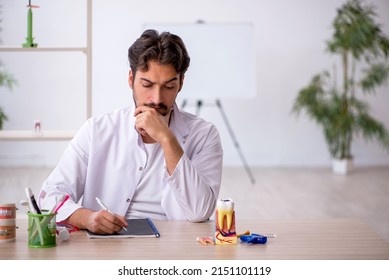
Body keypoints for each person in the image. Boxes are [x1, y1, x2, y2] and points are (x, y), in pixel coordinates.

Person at [38, 29, 223, 234]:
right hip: (106, 247)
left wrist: (166, 138)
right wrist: (87, 218)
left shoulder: (204, 135)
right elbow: (49, 197)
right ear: (131, 80)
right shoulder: (97, 131)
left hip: (174, 246)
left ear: (180, 84)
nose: (157, 98)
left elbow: (200, 211)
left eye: (168, 86)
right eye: (147, 84)